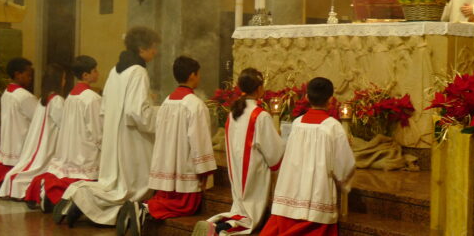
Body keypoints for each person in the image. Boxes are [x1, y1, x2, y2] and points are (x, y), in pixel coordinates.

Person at [54, 26, 160, 228]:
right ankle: (82, 196)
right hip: (131, 136)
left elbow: (105, 106)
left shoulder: (115, 70)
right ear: (142, 48)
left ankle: (81, 198)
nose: (155, 52)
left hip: (114, 132)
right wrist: (158, 113)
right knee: (134, 187)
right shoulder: (138, 71)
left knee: (114, 182)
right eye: (153, 47)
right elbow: (137, 112)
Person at [117, 56, 217, 236]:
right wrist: (204, 169)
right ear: (193, 75)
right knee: (186, 205)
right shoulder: (195, 105)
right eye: (198, 74)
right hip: (185, 169)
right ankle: (144, 209)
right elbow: (199, 140)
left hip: (167, 167)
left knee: (168, 198)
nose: (199, 77)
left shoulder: (166, 102)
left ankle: (143, 208)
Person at [193, 68, 285, 236]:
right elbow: (274, 152)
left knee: (241, 206)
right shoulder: (260, 115)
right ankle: (219, 229)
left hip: (237, 168)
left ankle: (213, 223)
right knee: (249, 217)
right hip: (253, 171)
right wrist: (279, 138)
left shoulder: (234, 112)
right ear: (259, 89)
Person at [258, 77, 355, 236]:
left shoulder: (297, 123)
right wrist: (344, 182)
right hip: (317, 194)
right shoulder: (333, 127)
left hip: (291, 192)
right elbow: (345, 165)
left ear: (307, 98)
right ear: (331, 99)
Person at [24, 56, 102, 213]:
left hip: (71, 148)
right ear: (85, 75)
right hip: (85, 151)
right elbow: (97, 129)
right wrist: (105, 146)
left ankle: (46, 192)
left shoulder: (71, 96)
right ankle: (56, 198)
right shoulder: (92, 98)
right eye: (94, 71)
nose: (98, 73)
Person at [0, 63, 66, 200]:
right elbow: (63, 124)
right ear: (58, 81)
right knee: (36, 168)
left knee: (27, 167)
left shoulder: (43, 98)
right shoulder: (56, 100)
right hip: (47, 139)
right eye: (63, 78)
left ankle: (13, 186)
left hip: (35, 139)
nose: (65, 81)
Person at [0, 58, 37, 190]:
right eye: (28, 75)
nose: (30, 78)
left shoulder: (6, 93)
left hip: (8, 146)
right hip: (22, 147)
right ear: (17, 74)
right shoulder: (25, 96)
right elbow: (40, 120)